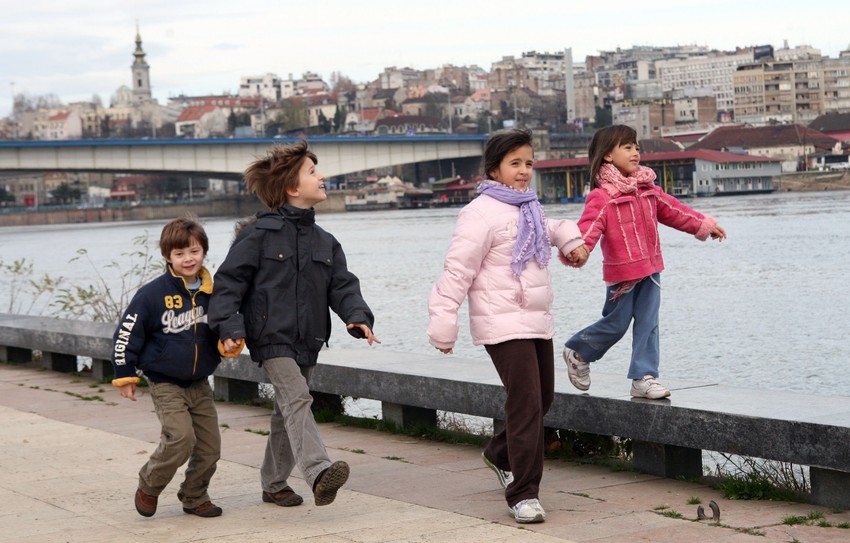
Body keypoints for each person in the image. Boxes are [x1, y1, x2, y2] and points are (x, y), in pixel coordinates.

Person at [427, 128, 587, 524]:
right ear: (494, 169)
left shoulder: (529, 206)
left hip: (534, 319)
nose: (523, 171)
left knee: (543, 398)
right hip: (500, 323)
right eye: (515, 163)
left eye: (529, 163)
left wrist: (570, 241)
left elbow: (552, 229)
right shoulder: (478, 214)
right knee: (526, 401)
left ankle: (498, 454)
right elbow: (457, 272)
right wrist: (444, 324)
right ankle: (523, 493)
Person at [209, 140, 379, 509]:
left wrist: (357, 317)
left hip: (310, 337)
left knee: (286, 409)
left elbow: (343, 286)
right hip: (269, 336)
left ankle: (273, 483)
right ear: (292, 187)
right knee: (298, 398)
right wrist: (230, 328)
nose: (322, 177)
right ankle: (318, 471)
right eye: (313, 172)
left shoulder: (325, 241)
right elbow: (228, 284)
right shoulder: (258, 235)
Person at [562, 124, 727, 400]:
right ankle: (578, 351)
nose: (635, 151)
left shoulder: (648, 189)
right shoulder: (603, 197)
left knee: (649, 324)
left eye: (636, 146)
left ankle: (644, 377)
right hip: (622, 276)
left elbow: (675, 211)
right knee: (616, 324)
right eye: (627, 147)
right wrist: (579, 250)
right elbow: (589, 228)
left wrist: (704, 225)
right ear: (607, 156)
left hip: (650, 270)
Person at [111, 216, 229, 519]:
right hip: (165, 382)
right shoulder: (152, 294)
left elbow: (225, 325)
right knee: (180, 438)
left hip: (200, 383)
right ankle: (149, 485)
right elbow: (127, 333)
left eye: (194, 251)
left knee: (210, 447)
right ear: (168, 257)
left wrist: (229, 343)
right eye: (179, 254)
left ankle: (194, 496)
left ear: (204, 251)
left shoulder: (213, 292)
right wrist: (125, 374)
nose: (188, 259)